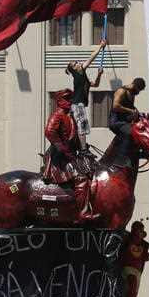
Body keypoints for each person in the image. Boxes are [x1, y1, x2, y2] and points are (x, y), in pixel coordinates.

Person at [41, 89, 98, 222]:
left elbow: (75, 135)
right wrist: (63, 148)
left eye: (70, 99)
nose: (70, 102)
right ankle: (82, 212)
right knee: (81, 177)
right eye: (67, 99)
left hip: (71, 154)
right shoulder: (57, 115)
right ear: (59, 101)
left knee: (92, 169)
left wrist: (82, 148)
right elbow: (49, 132)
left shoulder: (71, 115)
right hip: (59, 158)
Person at [66, 39, 107, 152]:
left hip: (80, 104)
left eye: (77, 62)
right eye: (76, 63)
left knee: (83, 125)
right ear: (74, 69)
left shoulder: (83, 77)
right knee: (82, 125)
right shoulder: (77, 74)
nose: (79, 63)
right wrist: (100, 46)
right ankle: (83, 149)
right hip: (77, 104)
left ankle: (83, 147)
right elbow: (91, 58)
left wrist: (99, 74)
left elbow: (96, 84)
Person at [116, 221, 149, 297]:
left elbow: (145, 257)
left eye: (141, 232)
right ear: (134, 231)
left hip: (138, 270)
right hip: (127, 268)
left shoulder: (144, 245)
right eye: (138, 231)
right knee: (132, 281)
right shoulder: (127, 239)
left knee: (133, 291)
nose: (140, 233)